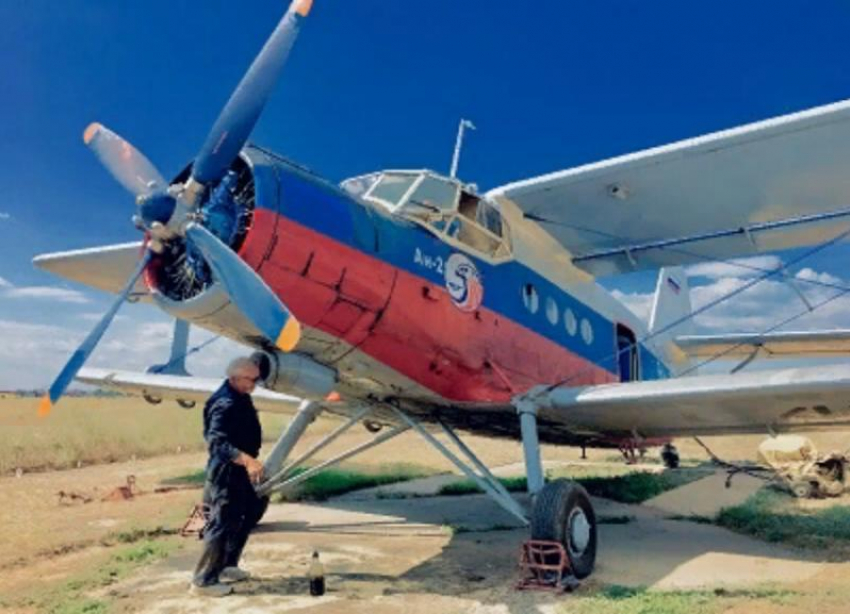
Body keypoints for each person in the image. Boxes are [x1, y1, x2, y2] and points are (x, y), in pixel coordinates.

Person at [190, 356, 268, 597]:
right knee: (222, 522)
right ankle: (203, 581)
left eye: (256, 380)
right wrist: (247, 460)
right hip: (227, 470)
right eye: (250, 380)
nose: (254, 384)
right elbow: (217, 442)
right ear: (234, 377)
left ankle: (226, 565)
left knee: (247, 514)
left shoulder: (241, 395)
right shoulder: (224, 402)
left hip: (242, 468)